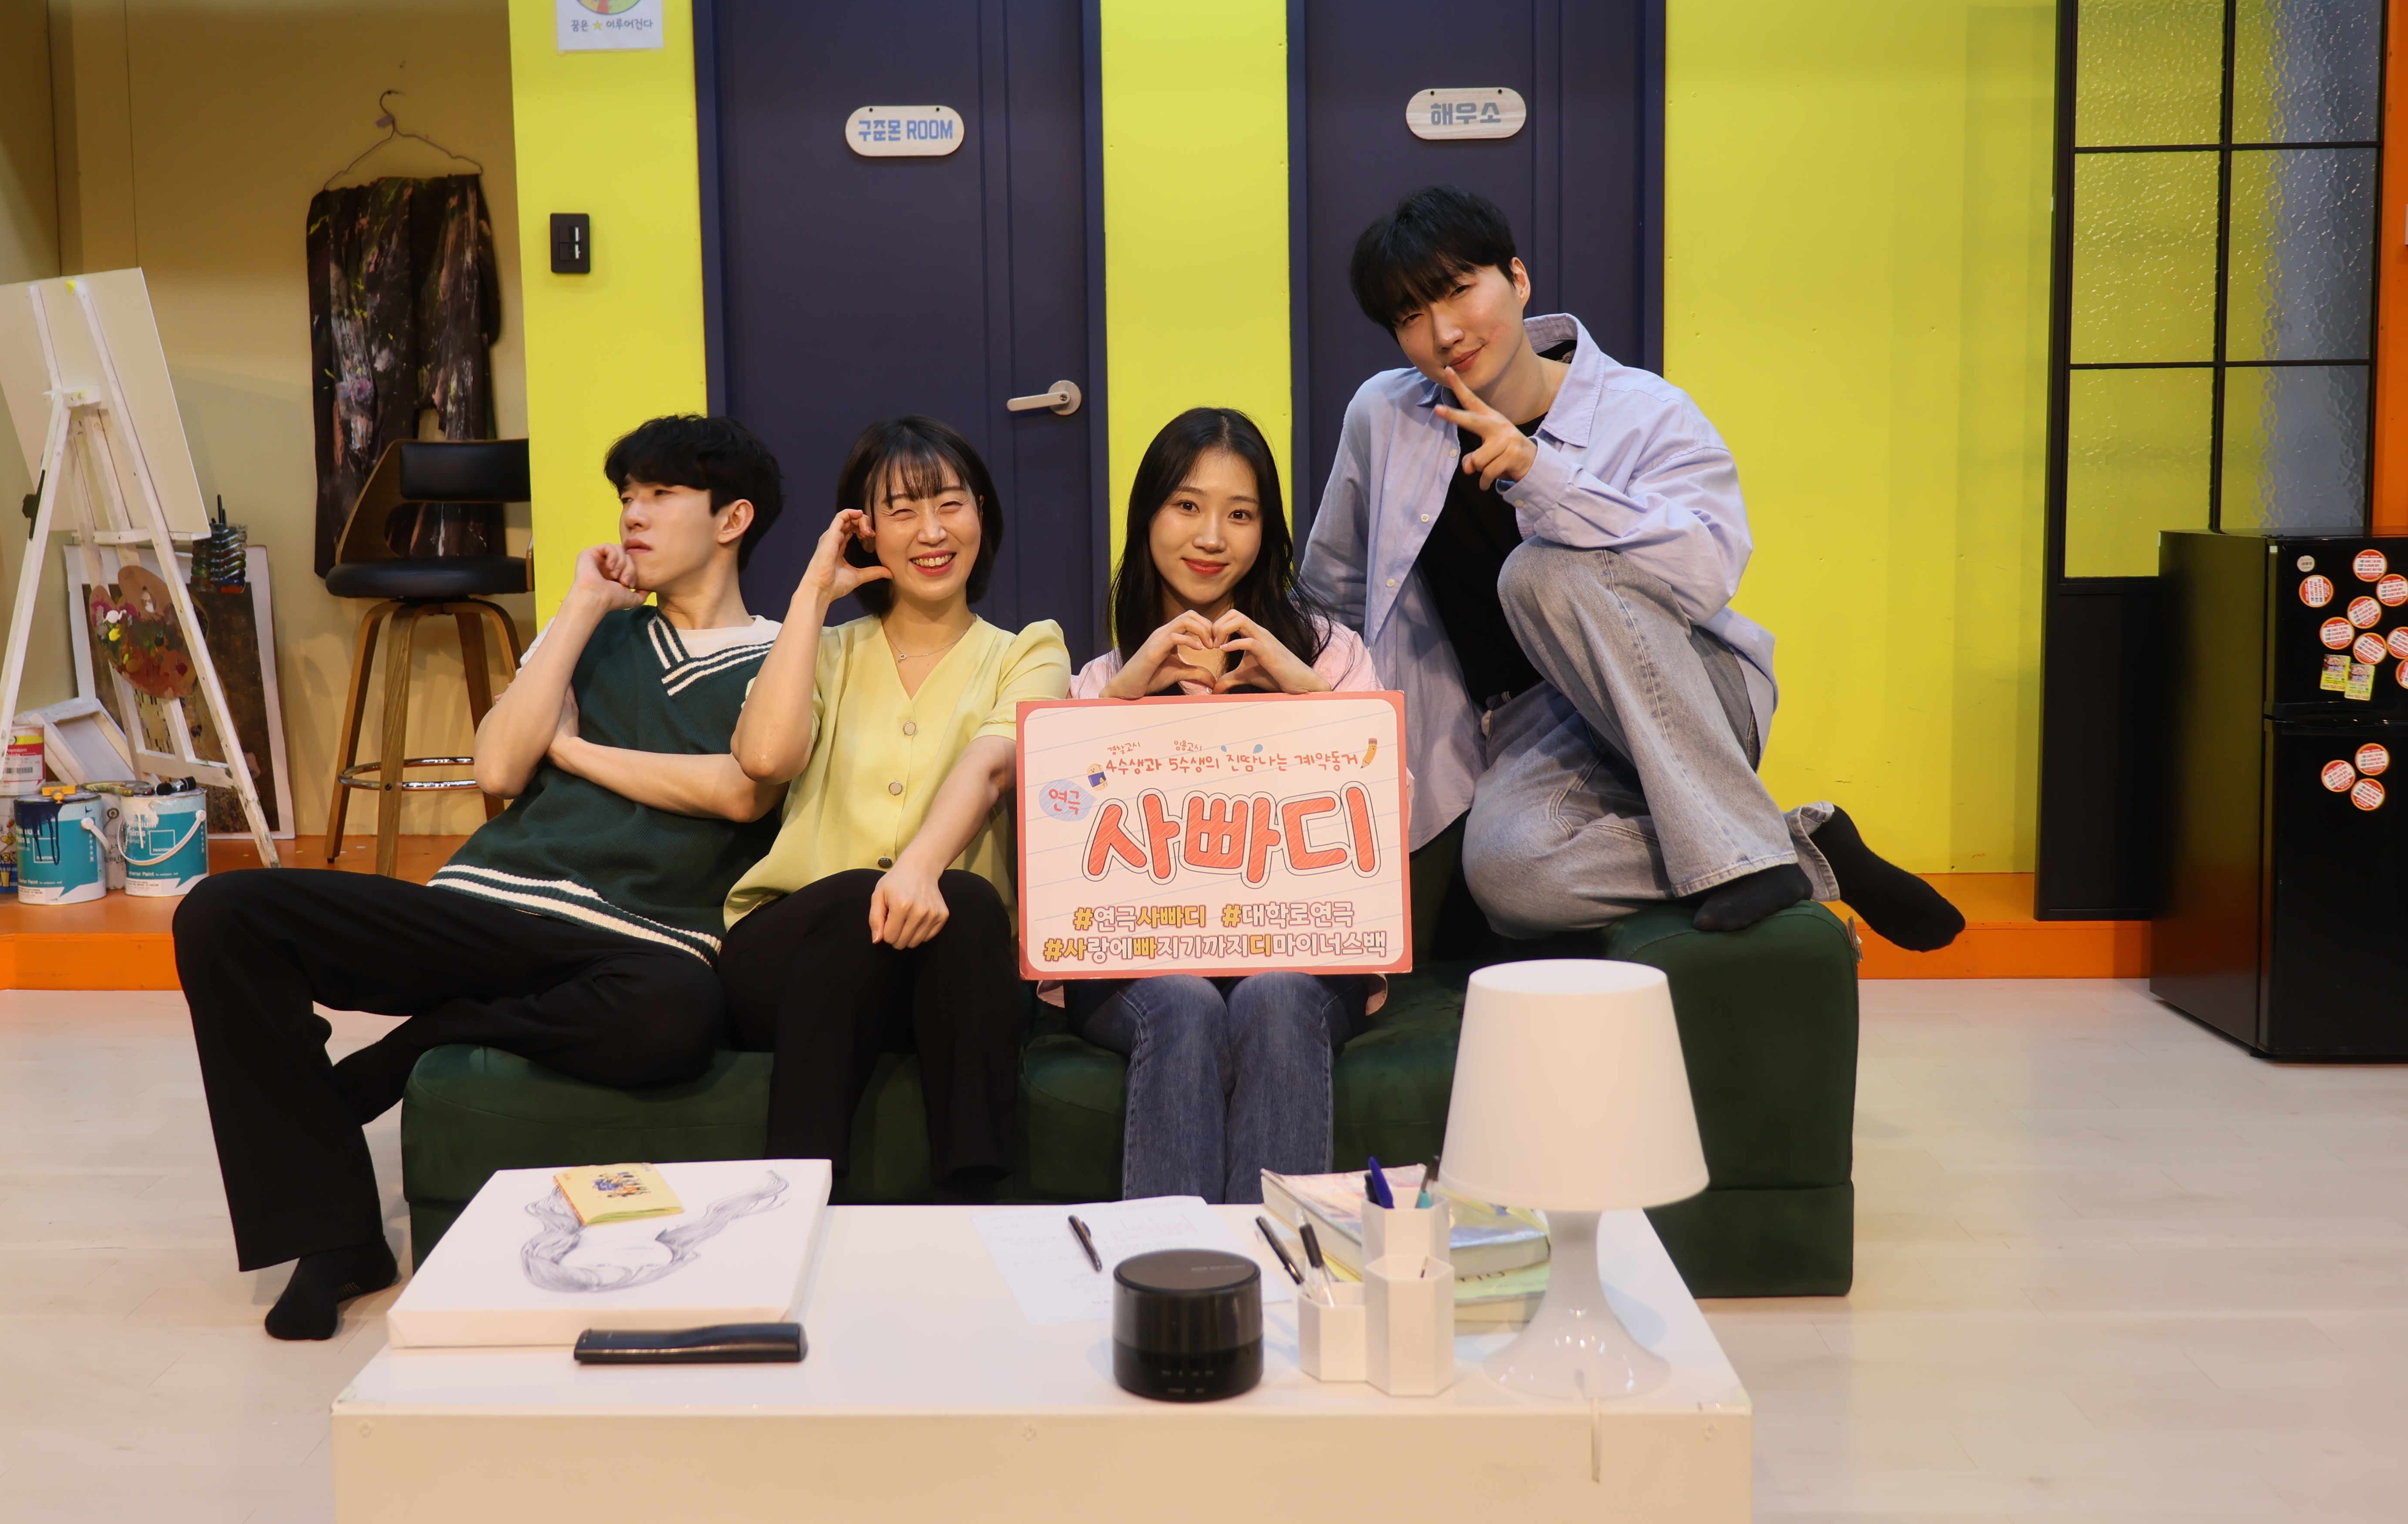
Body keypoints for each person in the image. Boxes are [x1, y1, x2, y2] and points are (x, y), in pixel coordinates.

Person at [173, 414, 789, 1340]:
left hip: (642, 943)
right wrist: (579, 608)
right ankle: (335, 1238)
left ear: (733, 517)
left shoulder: (786, 653)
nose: (633, 515)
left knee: (677, 1014)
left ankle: (428, 1040)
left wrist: (570, 750)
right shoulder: (592, 633)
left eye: (662, 495)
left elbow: (742, 791)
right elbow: (498, 766)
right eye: (627, 497)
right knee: (225, 912)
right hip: (491, 908)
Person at [1304, 186, 1962, 950]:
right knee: (1511, 879)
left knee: (1538, 573)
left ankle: (1738, 845)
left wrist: (1543, 477)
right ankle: (1795, 848)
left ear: (1517, 278)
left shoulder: (1648, 411)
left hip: (1686, 690)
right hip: (1533, 728)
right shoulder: (1384, 416)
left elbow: (1708, 574)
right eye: (1410, 317)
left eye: (1457, 290)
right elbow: (1334, 590)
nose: (1444, 332)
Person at [723, 417, 1070, 1202]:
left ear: (981, 512)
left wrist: (919, 868)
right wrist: (813, 595)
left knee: (970, 901)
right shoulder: (822, 651)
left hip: (948, 970)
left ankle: (970, 1207)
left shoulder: (1030, 652)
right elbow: (766, 758)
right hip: (789, 958)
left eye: (949, 503)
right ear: (864, 531)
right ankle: (794, 1206)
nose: (932, 531)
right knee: (858, 897)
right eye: (902, 510)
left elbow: (993, 764)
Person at [1061, 408, 1381, 1202]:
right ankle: (1172, 1267)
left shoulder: (1336, 656)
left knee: (1275, 993)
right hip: (1141, 963)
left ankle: (1275, 1265)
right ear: (1148, 518)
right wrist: (1126, 698)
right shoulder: (1100, 679)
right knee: (1183, 999)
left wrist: (1305, 691)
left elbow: (1383, 828)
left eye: (1240, 515)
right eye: (1187, 506)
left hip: (1305, 954)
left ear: (1266, 533)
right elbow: (1061, 848)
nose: (1211, 538)